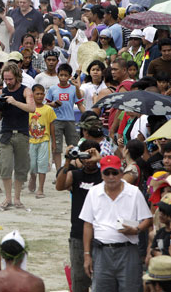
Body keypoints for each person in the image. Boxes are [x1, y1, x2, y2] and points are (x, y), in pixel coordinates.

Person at [80, 155, 153, 292]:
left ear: (121, 172)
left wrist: (136, 230)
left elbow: (148, 220)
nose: (111, 176)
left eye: (114, 172)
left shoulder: (133, 192)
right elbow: (87, 224)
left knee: (131, 288)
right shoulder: (93, 193)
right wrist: (87, 254)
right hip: (102, 252)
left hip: (128, 250)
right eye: (106, 173)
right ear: (101, 174)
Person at [55, 140, 102, 292]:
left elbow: (118, 179)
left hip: (102, 233)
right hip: (78, 233)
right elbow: (59, 186)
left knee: (102, 280)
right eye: (84, 155)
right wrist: (68, 160)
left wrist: (99, 160)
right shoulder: (75, 175)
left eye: (91, 154)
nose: (88, 159)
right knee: (79, 280)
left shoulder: (105, 175)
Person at [0, 62, 36, 210]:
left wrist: (14, 102)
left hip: (22, 132)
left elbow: (31, 108)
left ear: (17, 77)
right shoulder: (2, 92)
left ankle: (17, 198)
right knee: (5, 165)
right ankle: (8, 198)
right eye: (5, 79)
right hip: (6, 132)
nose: (8, 82)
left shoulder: (26, 91)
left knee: (21, 166)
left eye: (10, 79)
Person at [46, 64, 83, 172]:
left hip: (70, 120)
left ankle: (72, 170)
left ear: (69, 76)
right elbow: (46, 104)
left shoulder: (73, 88)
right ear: (57, 75)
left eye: (65, 75)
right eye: (61, 75)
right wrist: (53, 104)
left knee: (73, 146)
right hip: (56, 120)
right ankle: (59, 172)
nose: (63, 77)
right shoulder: (52, 89)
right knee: (57, 149)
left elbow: (80, 102)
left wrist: (87, 116)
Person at [28, 84, 56, 199]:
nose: (39, 96)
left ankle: (41, 188)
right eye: (37, 94)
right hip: (30, 140)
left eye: (41, 94)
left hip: (44, 140)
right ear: (32, 95)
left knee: (42, 164)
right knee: (32, 165)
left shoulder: (48, 109)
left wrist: (54, 141)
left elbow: (51, 125)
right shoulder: (28, 109)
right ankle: (33, 177)